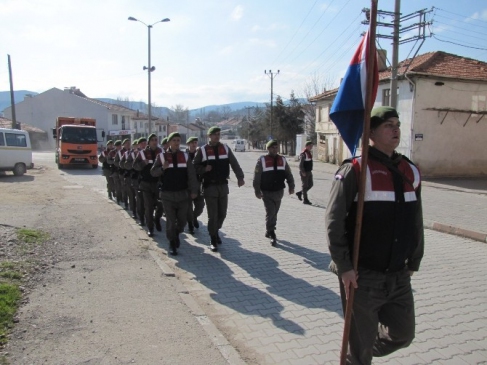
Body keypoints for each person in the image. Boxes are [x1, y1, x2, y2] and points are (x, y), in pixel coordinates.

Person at [325, 106, 424, 365]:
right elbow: (334, 221)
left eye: (397, 124)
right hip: (362, 277)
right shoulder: (355, 169)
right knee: (359, 351)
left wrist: (414, 260)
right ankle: (358, 352)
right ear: (370, 132)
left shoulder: (410, 171)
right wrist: (344, 266)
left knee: (403, 334)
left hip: (398, 275)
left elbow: (416, 220)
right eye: (388, 125)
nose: (395, 129)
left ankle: (361, 348)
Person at [193, 126, 245, 252]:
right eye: (214, 134)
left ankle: (215, 231)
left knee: (222, 213)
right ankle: (213, 238)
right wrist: (204, 169)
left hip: (223, 186)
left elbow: (234, 163)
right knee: (213, 215)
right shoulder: (203, 150)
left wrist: (240, 177)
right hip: (209, 186)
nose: (217, 136)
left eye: (218, 134)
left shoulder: (225, 148)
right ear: (209, 136)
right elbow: (194, 166)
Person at [151, 132, 199, 255]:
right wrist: (163, 168)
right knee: (171, 221)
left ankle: (177, 233)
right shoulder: (162, 157)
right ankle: (172, 243)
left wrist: (194, 190)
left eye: (178, 140)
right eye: (174, 140)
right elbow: (153, 172)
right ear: (169, 142)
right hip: (167, 195)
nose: (177, 143)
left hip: (183, 195)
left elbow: (192, 175)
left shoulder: (185, 156)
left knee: (182, 221)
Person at [253, 140, 295, 246]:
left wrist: (291, 186)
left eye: (276, 147)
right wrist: (257, 191)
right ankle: (272, 232)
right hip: (266, 192)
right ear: (268, 149)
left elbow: (288, 174)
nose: (275, 149)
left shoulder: (283, 159)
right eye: (272, 147)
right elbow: (256, 177)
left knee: (275, 212)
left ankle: (269, 229)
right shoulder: (262, 160)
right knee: (270, 212)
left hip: (279, 191)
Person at [133, 133, 164, 237]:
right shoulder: (142, 153)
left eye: (156, 140)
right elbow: (135, 166)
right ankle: (150, 228)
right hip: (145, 184)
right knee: (149, 207)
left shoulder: (162, 152)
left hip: (158, 184)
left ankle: (157, 219)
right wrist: (143, 163)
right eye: (153, 140)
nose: (155, 141)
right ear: (149, 142)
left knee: (161, 206)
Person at [185, 136, 205, 234]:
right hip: (187, 185)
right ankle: (190, 224)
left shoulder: (200, 155)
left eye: (195, 142)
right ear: (188, 144)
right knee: (188, 207)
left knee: (200, 206)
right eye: (192, 143)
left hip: (198, 184)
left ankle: (194, 217)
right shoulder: (184, 155)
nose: (194, 144)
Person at [122, 139, 139, 219]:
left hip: (140, 178)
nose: (136, 147)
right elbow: (122, 164)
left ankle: (141, 211)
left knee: (139, 197)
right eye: (135, 145)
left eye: (137, 145)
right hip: (129, 177)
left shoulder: (143, 154)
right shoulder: (127, 154)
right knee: (131, 195)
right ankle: (134, 211)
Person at [296, 141, 314, 205]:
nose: (311, 147)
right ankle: (305, 199)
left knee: (311, 184)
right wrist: (302, 171)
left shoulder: (309, 153)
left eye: (312, 146)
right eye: (310, 146)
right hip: (305, 172)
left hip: (309, 171)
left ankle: (300, 193)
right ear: (306, 146)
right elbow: (301, 164)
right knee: (305, 186)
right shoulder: (303, 154)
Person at [115, 138, 131, 209]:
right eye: (126, 143)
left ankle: (130, 203)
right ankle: (123, 202)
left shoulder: (131, 151)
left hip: (129, 173)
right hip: (122, 173)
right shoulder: (119, 152)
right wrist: (122, 164)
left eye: (129, 143)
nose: (128, 145)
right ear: (123, 144)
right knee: (122, 188)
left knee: (129, 189)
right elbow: (115, 162)